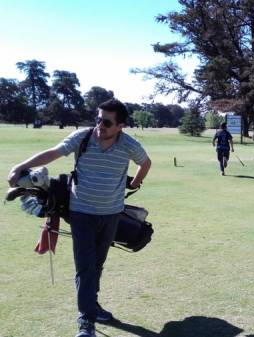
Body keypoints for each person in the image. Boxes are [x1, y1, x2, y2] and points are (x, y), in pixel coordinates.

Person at [7, 99, 151, 337]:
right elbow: (53, 153)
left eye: (106, 122)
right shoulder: (83, 137)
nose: (99, 125)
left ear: (120, 126)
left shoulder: (128, 144)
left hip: (111, 214)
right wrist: (20, 166)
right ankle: (86, 322)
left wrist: (135, 183)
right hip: (81, 213)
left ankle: (92, 306)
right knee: (85, 267)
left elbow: (145, 163)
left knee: (96, 264)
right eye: (98, 119)